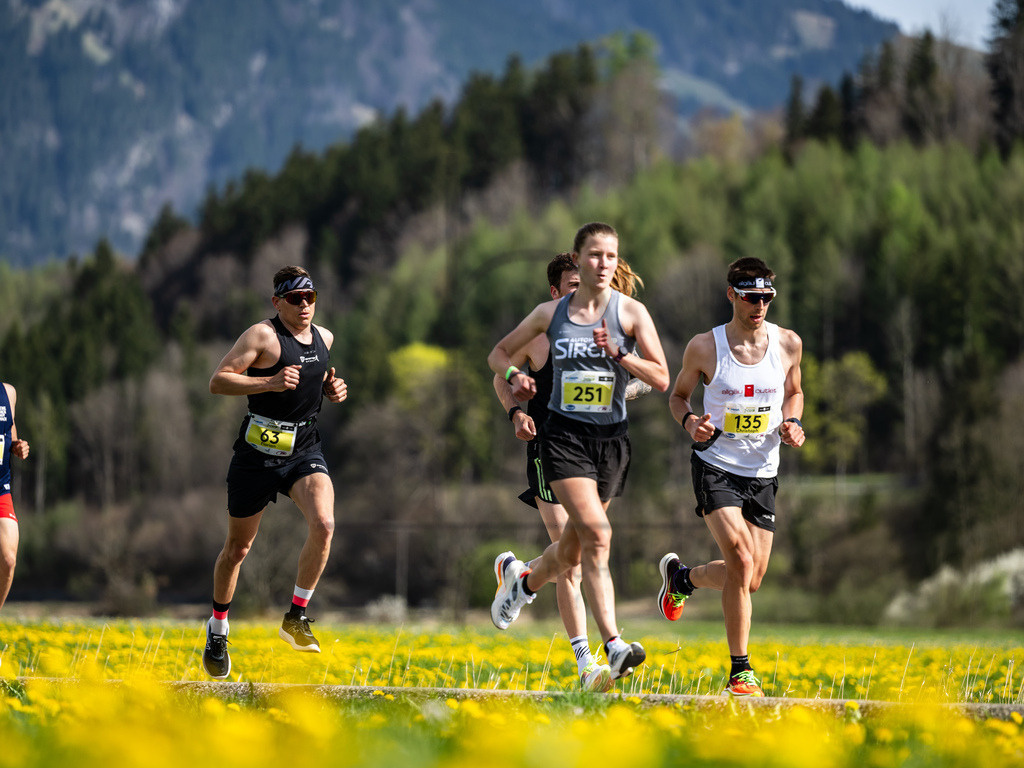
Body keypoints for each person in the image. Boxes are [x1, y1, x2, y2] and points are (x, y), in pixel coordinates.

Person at [487, 222, 669, 684]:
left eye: (610, 258)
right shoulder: (546, 322)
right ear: (560, 288)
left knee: (570, 551)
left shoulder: (625, 316)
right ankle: (596, 656)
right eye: (587, 263)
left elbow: (657, 377)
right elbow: (499, 365)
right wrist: (516, 404)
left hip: (607, 445)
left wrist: (622, 369)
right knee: (592, 537)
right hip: (555, 444)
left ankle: (522, 579)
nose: (599, 269)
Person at [658, 257, 805, 697]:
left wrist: (793, 423)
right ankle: (741, 672)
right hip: (715, 464)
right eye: (750, 297)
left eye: (766, 297)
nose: (759, 305)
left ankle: (683, 579)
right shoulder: (705, 347)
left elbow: (795, 391)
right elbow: (678, 397)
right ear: (731, 296)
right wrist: (690, 425)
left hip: (764, 471)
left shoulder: (789, 344)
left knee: (751, 579)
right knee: (740, 562)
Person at [202, 266, 348, 679]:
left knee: (324, 522)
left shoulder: (326, 339)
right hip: (256, 454)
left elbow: (316, 381)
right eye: (295, 298)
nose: (305, 305)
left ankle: (296, 617)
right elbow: (218, 381)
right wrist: (267, 383)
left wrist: (332, 390)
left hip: (304, 449)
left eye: (311, 297)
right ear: (277, 301)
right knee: (237, 551)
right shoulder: (262, 336)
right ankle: (217, 631)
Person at [0, 382, 30, 613]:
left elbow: (11, 436)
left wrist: (18, 446)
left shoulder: (8, 393)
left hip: (2, 489)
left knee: (9, 561)